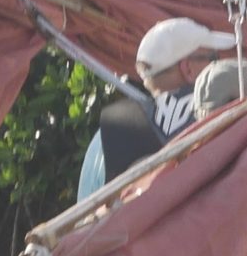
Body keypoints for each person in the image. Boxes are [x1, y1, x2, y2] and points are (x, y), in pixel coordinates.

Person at [75, 16, 237, 202]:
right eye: (212, 57)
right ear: (188, 69)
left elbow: (87, 215)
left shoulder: (105, 135)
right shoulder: (224, 115)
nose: (216, 64)